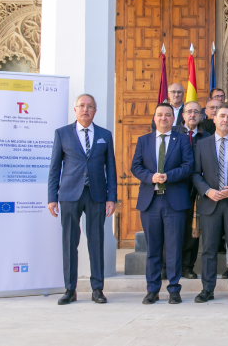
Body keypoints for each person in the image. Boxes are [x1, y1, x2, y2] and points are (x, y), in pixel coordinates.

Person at [47, 94, 117, 306]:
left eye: (90, 106)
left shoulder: (105, 134)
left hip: (96, 194)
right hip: (69, 194)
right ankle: (70, 289)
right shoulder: (62, 133)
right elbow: (54, 167)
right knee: (69, 242)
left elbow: (111, 169)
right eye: (82, 106)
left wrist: (111, 197)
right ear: (75, 110)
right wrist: (52, 197)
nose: (85, 110)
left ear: (95, 111)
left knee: (96, 241)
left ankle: (97, 288)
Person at [131, 103, 194, 305]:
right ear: (155, 117)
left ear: (173, 119)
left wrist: (168, 176)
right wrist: (151, 177)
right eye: (160, 115)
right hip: (150, 202)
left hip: (174, 201)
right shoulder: (143, 140)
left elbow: (188, 166)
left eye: (168, 115)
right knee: (153, 249)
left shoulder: (183, 140)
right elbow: (136, 167)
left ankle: (174, 289)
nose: (164, 118)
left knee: (174, 248)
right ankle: (152, 290)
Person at [193, 104, 228, 304]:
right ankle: (207, 289)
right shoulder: (201, 144)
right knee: (208, 249)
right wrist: (207, 191)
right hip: (211, 203)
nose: (225, 120)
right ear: (214, 119)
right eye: (221, 116)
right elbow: (195, 174)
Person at [169, 101, 204, 279]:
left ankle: (187, 266)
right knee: (171, 230)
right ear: (182, 115)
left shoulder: (206, 136)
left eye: (196, 112)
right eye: (189, 111)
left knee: (192, 231)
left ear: (201, 116)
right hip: (175, 188)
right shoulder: (172, 133)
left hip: (196, 190)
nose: (192, 115)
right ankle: (166, 266)